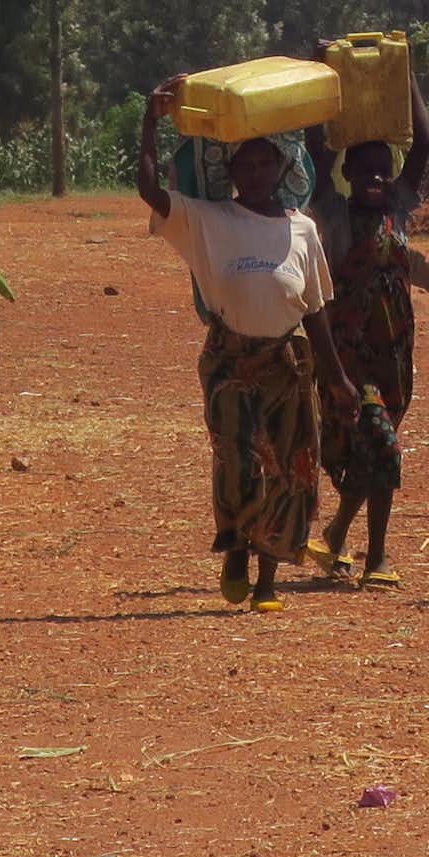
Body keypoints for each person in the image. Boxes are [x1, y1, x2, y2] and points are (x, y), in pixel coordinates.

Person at [138, 78, 356, 613]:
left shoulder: (302, 229)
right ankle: (235, 544)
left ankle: (266, 581)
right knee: (237, 461)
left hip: (288, 360)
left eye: (265, 165)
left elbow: (316, 309)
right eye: (246, 165)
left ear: (282, 171)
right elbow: (148, 189)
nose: (256, 173)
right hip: (230, 360)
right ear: (230, 174)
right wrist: (150, 120)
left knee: (288, 466)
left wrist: (338, 379)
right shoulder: (207, 220)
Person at [303, 77, 429, 588]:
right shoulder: (334, 213)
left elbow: (422, 142)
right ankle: (376, 555)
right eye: (366, 167)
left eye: (385, 166)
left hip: (396, 353)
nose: (377, 175)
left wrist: (405, 72)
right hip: (348, 354)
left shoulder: (399, 210)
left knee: (375, 446)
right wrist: (322, 77)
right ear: (348, 172)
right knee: (381, 443)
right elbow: (316, 148)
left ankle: (336, 531)